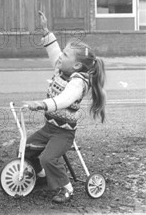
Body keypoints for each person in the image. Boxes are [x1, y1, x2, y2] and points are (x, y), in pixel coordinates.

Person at [22, 11, 106, 203]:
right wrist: (46, 31)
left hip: (63, 133)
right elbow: (54, 53)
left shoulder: (79, 83)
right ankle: (42, 176)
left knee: (48, 158)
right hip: (49, 128)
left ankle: (66, 188)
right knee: (26, 149)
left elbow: (64, 100)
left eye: (65, 54)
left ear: (76, 66)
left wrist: (42, 105)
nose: (60, 57)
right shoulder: (61, 69)